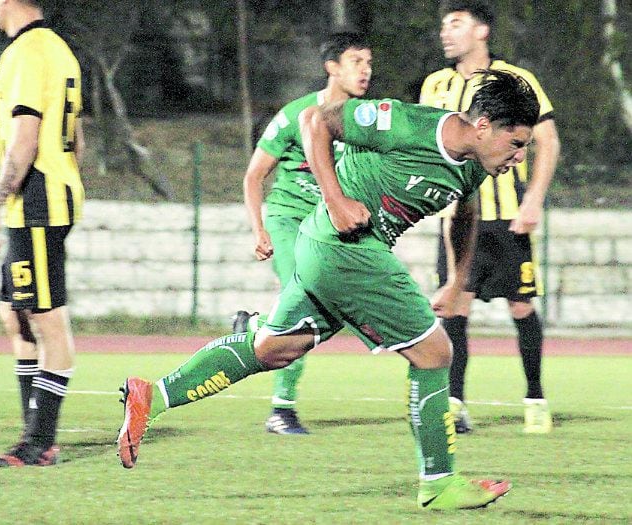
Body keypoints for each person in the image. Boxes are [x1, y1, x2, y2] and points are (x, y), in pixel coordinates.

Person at [118, 69, 540, 510]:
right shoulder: (406, 124)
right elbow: (315, 121)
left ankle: (152, 396)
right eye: (516, 143)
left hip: (330, 251)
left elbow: (464, 215)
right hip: (346, 247)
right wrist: (336, 200)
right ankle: (438, 481)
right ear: (484, 124)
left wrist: (457, 280)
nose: (519, 156)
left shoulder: (474, 167)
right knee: (434, 352)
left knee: (272, 349)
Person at [419, 0, 560, 434]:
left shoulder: (518, 80)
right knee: (454, 307)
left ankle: (535, 397)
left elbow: (547, 140)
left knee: (521, 305)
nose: (446, 33)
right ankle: (455, 404)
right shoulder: (435, 86)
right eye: (444, 25)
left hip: (506, 216)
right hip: (455, 218)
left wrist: (533, 198)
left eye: (456, 24)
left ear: (481, 31)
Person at [234, 31, 372, 434]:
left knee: (330, 313)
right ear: (332, 68)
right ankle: (281, 409)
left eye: (368, 62)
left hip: (326, 230)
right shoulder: (298, 113)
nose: (365, 71)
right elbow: (254, 175)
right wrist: (259, 229)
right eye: (355, 62)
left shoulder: (368, 120)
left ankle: (255, 329)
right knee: (304, 296)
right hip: (288, 220)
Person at [0, 0, 85, 467]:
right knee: (13, 312)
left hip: (35, 198)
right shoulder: (60, 49)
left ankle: (39, 444)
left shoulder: (25, 53)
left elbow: (25, 138)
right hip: (46, 195)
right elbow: (77, 137)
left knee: (46, 319)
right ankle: (32, 430)